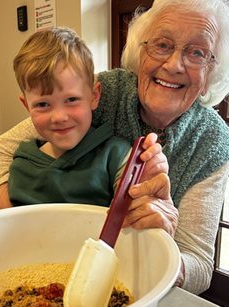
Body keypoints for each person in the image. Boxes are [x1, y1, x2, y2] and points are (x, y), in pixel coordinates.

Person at [0, 0, 229, 295]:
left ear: (211, 74)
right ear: (141, 52)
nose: (174, 65)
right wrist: (16, 227)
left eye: (197, 52)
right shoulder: (100, 94)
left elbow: (200, 266)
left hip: (139, 287)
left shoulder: (212, 143)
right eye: (163, 45)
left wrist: (160, 242)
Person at [9, 27, 153, 207]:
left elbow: (136, 207)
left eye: (71, 100)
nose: (59, 117)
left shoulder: (116, 156)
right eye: (43, 104)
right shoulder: (21, 165)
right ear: (26, 106)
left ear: (94, 96)